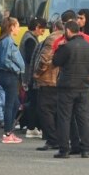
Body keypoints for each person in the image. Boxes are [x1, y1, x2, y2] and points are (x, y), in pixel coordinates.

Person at [52, 20, 89, 158]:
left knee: (65, 118)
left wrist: (59, 48)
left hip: (67, 87)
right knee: (84, 117)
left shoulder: (66, 47)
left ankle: (64, 149)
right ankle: (87, 148)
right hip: (84, 87)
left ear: (68, 31)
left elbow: (55, 62)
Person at [31, 19, 64, 151]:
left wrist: (37, 73)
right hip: (62, 79)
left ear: (55, 27)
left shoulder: (52, 38)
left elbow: (45, 59)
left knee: (45, 110)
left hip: (49, 79)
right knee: (59, 111)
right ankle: (61, 138)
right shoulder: (69, 37)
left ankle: (52, 139)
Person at [0, 17, 25, 144]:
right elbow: (5, 60)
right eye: (17, 26)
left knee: (15, 104)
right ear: (11, 27)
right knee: (10, 104)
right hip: (9, 75)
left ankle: (9, 131)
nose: (19, 28)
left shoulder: (1, 40)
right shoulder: (7, 41)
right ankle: (8, 133)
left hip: (4, 75)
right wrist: (16, 69)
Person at [19, 17, 46, 138]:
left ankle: (31, 126)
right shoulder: (30, 40)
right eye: (42, 29)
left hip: (27, 75)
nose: (43, 32)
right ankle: (31, 127)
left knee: (32, 101)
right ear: (37, 27)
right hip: (29, 76)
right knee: (33, 102)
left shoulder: (28, 37)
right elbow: (31, 59)